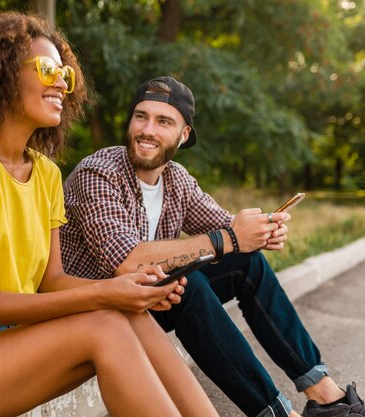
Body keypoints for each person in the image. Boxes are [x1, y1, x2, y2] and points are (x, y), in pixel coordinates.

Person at [0, 14, 221, 417]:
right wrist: (107, 291)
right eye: (48, 70)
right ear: (0, 75)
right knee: (105, 322)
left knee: (126, 314)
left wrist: (132, 288)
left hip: (10, 341)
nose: (61, 84)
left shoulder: (47, 174)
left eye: (65, 75)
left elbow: (51, 281)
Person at [61, 76, 365, 417]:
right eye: (141, 116)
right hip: (93, 311)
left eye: (164, 122)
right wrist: (230, 238)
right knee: (188, 283)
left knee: (246, 262)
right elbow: (127, 261)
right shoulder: (98, 172)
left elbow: (227, 228)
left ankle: (325, 395)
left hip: (145, 305)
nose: (148, 130)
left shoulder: (176, 180)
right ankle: (275, 413)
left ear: (184, 134)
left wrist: (260, 230)